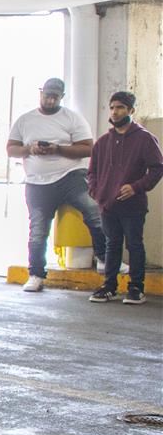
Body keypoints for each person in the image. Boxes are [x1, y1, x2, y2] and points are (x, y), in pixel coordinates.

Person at [7, 77, 106, 292]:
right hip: (37, 183)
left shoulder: (72, 118)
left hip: (69, 176)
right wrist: (30, 149)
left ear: (62, 97)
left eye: (55, 96)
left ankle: (103, 258)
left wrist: (58, 149)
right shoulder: (25, 120)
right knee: (38, 229)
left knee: (93, 211)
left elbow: (88, 148)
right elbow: (11, 149)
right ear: (40, 92)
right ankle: (35, 274)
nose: (50, 100)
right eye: (47, 95)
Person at [86, 90, 162, 304]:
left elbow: (157, 169)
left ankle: (136, 288)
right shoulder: (102, 142)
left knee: (134, 245)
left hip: (133, 205)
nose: (115, 112)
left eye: (120, 107)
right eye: (112, 107)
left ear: (131, 110)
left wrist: (137, 187)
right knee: (112, 244)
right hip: (107, 205)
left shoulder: (145, 139)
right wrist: (96, 192)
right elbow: (91, 173)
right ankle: (109, 287)